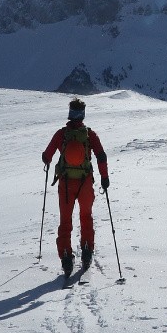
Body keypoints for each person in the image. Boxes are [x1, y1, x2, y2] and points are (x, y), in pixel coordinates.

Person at [41, 98, 110, 275]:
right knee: (86, 216)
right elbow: (101, 156)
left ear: (70, 113)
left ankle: (66, 257)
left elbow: (46, 156)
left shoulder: (61, 134)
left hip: (65, 184)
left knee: (65, 221)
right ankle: (86, 251)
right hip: (85, 183)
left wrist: (48, 159)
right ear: (83, 114)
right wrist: (104, 178)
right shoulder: (89, 135)